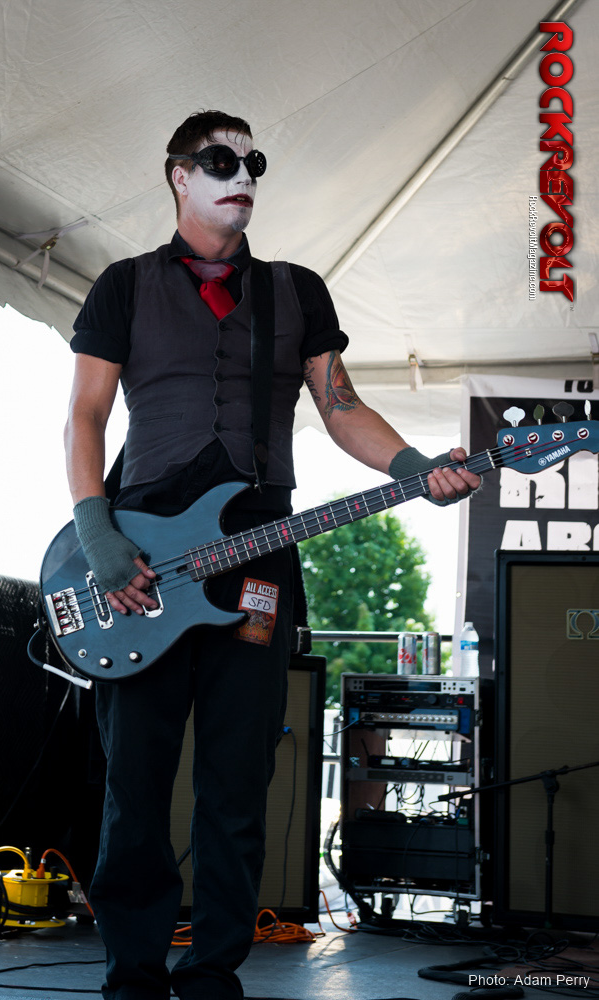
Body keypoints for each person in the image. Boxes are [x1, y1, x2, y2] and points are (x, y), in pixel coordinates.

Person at [64, 110, 480, 1000]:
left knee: (238, 779)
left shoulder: (296, 292)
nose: (242, 174)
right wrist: (98, 534)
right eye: (220, 160)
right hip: (141, 559)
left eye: (253, 161)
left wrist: (416, 468)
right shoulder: (124, 286)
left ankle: (213, 972)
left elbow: (341, 407)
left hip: (259, 554)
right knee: (135, 783)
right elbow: (86, 416)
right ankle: (131, 975)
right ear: (178, 174)